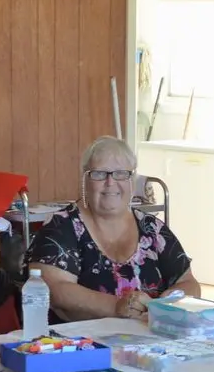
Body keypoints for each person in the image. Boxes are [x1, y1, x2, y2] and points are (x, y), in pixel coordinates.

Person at [28, 136, 201, 322]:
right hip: (80, 344)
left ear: (132, 181)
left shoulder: (153, 229)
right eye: (100, 174)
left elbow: (189, 283)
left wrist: (165, 305)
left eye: (121, 173)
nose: (110, 183)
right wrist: (116, 306)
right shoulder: (60, 226)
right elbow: (55, 290)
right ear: (85, 180)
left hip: (149, 339)